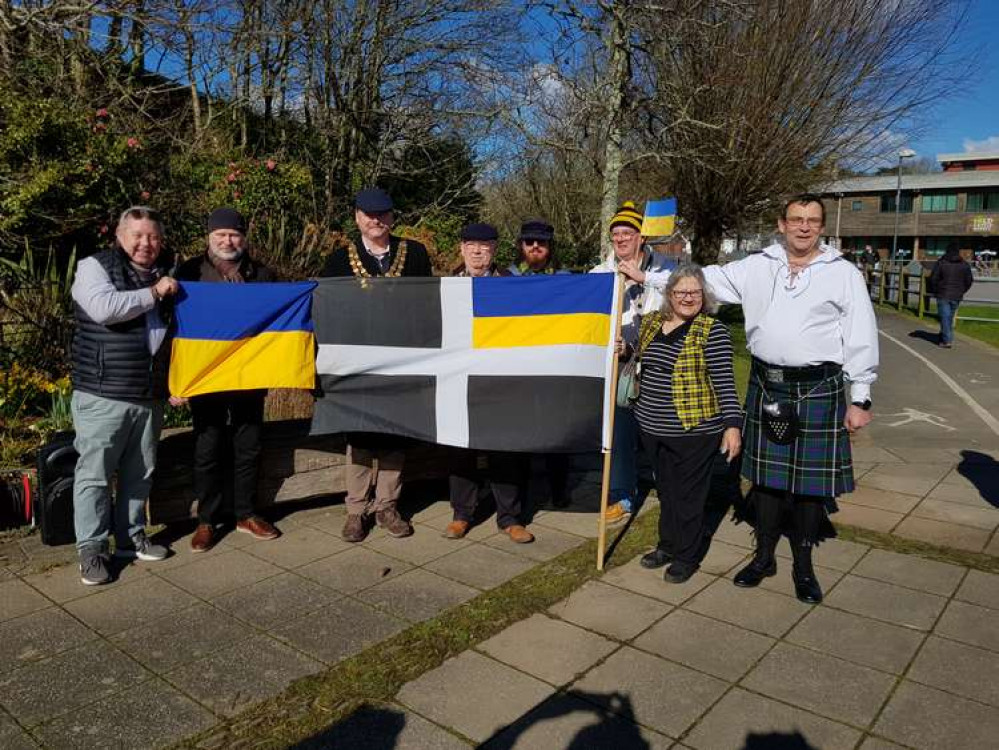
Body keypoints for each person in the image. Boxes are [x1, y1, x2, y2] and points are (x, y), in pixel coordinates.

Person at [627, 194, 878, 604]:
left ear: (822, 226)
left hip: (818, 386)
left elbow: (860, 334)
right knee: (764, 482)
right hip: (767, 381)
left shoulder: (843, 273)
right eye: (796, 219)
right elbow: (701, 280)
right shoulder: (758, 265)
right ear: (781, 223)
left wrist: (861, 396)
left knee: (810, 490)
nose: (803, 227)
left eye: (812, 220)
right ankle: (763, 558)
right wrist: (645, 276)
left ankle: (803, 565)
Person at [70, 206, 179, 585]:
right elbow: (104, 309)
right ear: (119, 236)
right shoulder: (94, 267)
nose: (145, 243)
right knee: (95, 476)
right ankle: (92, 550)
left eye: (152, 236)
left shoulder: (169, 275)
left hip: (148, 395)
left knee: (140, 474)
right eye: (137, 235)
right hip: (103, 393)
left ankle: (130, 538)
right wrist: (154, 292)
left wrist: (176, 381)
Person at [319, 188, 433, 542]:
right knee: (360, 436)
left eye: (383, 214)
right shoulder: (339, 260)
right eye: (368, 214)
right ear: (357, 217)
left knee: (394, 435)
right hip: (358, 364)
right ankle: (356, 510)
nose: (376, 220)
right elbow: (326, 310)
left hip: (401, 361)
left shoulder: (414, 253)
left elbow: (427, 304)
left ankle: (387, 505)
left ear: (392, 217)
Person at [174, 208, 281, 552]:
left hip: (250, 374)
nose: (227, 240)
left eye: (233, 235)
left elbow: (278, 325)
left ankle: (246, 513)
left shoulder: (263, 274)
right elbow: (173, 328)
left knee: (249, 447)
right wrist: (177, 380)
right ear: (209, 237)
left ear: (244, 238)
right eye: (220, 234)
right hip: (206, 376)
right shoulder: (188, 272)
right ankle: (207, 520)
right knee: (208, 447)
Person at [632, 265, 742, 583]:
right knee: (666, 491)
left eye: (694, 292)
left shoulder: (712, 330)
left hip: (694, 430)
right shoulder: (652, 322)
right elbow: (641, 361)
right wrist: (624, 350)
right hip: (651, 426)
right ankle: (667, 545)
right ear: (669, 294)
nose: (687, 297)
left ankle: (687, 555)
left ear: (704, 295)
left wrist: (732, 425)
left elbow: (724, 382)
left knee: (689, 495)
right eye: (681, 292)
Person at [444, 223, 534, 544]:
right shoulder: (445, 284)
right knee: (460, 447)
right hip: (459, 380)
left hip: (500, 379)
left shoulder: (513, 284)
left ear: (495, 249)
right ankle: (461, 514)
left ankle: (510, 518)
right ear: (462, 248)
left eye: (485, 245)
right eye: (471, 245)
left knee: (504, 449)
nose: (478, 251)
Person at [590, 201, 675, 525]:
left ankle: (670, 486)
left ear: (642, 236)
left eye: (628, 233)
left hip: (661, 356)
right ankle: (621, 495)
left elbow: (687, 294)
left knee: (661, 429)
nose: (621, 239)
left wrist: (641, 277)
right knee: (620, 433)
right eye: (616, 235)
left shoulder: (665, 268)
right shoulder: (599, 273)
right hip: (622, 362)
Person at [507, 218, 572, 507]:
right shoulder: (505, 279)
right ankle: (519, 497)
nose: (535, 247)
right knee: (519, 437)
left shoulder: (567, 279)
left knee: (556, 436)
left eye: (541, 242)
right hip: (518, 369)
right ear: (521, 245)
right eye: (530, 241)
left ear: (549, 247)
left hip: (554, 368)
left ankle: (560, 492)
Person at [928, 241, 973, 348]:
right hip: (957, 295)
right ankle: (944, 336)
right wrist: (962, 290)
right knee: (949, 317)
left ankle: (947, 340)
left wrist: (935, 290)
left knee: (945, 317)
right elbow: (969, 280)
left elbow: (933, 278)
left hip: (943, 293)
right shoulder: (964, 264)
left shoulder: (941, 263)